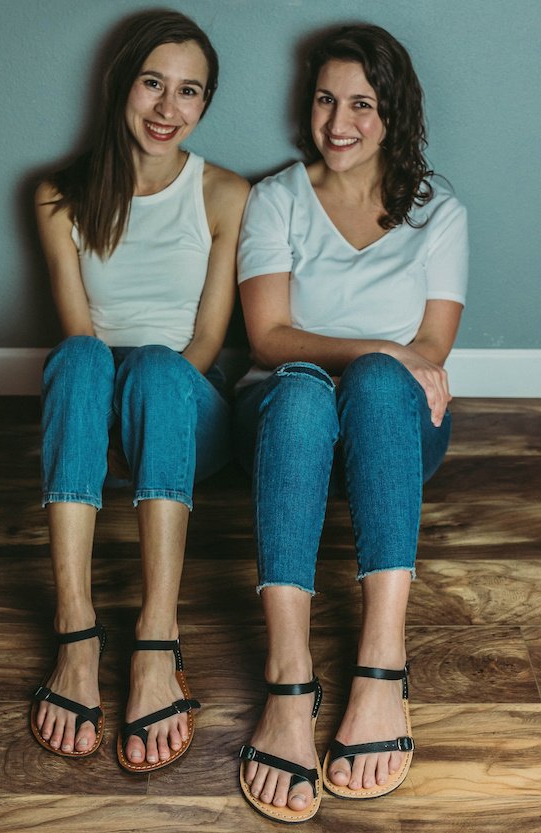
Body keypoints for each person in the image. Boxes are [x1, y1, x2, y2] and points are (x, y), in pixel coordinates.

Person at [235, 22, 468, 822]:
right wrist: (380, 344)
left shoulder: (440, 211)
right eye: (327, 100)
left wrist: (384, 361)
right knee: (301, 387)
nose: (340, 122)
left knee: (375, 380)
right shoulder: (274, 199)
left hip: (395, 424)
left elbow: (431, 349)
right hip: (285, 419)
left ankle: (381, 661)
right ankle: (288, 680)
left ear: (393, 113)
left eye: (362, 103)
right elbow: (268, 337)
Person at [29, 9, 248, 773]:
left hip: (185, 406)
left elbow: (208, 342)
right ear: (122, 83)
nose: (167, 108)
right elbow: (78, 324)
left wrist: (155, 394)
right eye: (153, 83)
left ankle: (158, 637)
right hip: (94, 409)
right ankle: (77, 632)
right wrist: (112, 407)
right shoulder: (59, 194)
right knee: (84, 355)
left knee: (159, 365)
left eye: (189, 92)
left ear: (204, 105)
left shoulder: (225, 193)